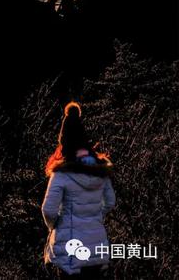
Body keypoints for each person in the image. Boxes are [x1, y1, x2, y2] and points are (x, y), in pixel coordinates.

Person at [42, 102, 116, 279]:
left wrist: (57, 225)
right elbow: (110, 202)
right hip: (97, 251)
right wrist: (93, 216)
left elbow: (48, 210)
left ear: (63, 140)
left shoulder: (61, 174)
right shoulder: (100, 171)